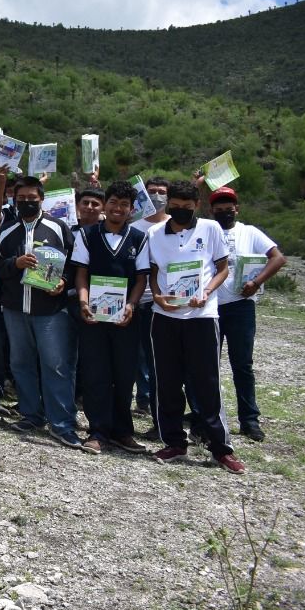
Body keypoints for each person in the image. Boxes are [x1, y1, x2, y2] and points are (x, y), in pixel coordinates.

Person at [147, 180, 243, 473]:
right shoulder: (154, 233)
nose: (180, 212)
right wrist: (159, 297)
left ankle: (220, 448)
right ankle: (174, 442)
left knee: (207, 383)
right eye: (174, 207)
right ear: (168, 205)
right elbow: (152, 273)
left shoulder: (211, 229)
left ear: (197, 206)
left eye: (186, 209)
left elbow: (222, 268)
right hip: (164, 317)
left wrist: (207, 292)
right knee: (167, 382)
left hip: (202, 318)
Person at [0, 176, 79, 446]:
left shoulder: (58, 227)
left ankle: (62, 424)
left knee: (56, 365)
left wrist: (64, 283)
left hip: (50, 310)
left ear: (42, 198)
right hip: (15, 309)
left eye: (32, 199)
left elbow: (75, 264)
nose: (27, 203)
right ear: (15, 199)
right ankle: (31, 414)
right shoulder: (6, 229)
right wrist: (14, 264)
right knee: (21, 364)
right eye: (21, 199)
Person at [71, 180, 149, 454]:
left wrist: (131, 305)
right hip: (92, 315)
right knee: (95, 372)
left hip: (125, 318)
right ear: (106, 204)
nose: (118, 208)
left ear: (131, 210)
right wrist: (83, 301)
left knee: (124, 373)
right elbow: (81, 272)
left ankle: (122, 431)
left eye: (124, 205)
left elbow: (141, 279)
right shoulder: (87, 235)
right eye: (114, 202)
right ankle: (98, 431)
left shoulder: (139, 238)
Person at [211, 186, 286, 442]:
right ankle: (205, 415)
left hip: (241, 306)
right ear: (211, 210)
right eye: (218, 208)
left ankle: (249, 419)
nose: (224, 211)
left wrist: (256, 282)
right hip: (209, 306)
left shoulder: (249, 232)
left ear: (237, 208)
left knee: (242, 364)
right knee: (207, 365)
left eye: (228, 207)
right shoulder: (207, 231)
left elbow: (277, 258)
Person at [129, 176, 170, 426]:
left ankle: (152, 405)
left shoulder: (174, 225)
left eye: (161, 191)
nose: (156, 195)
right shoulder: (135, 224)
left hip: (158, 303)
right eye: (151, 191)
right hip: (133, 299)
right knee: (133, 355)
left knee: (155, 358)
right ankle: (139, 399)